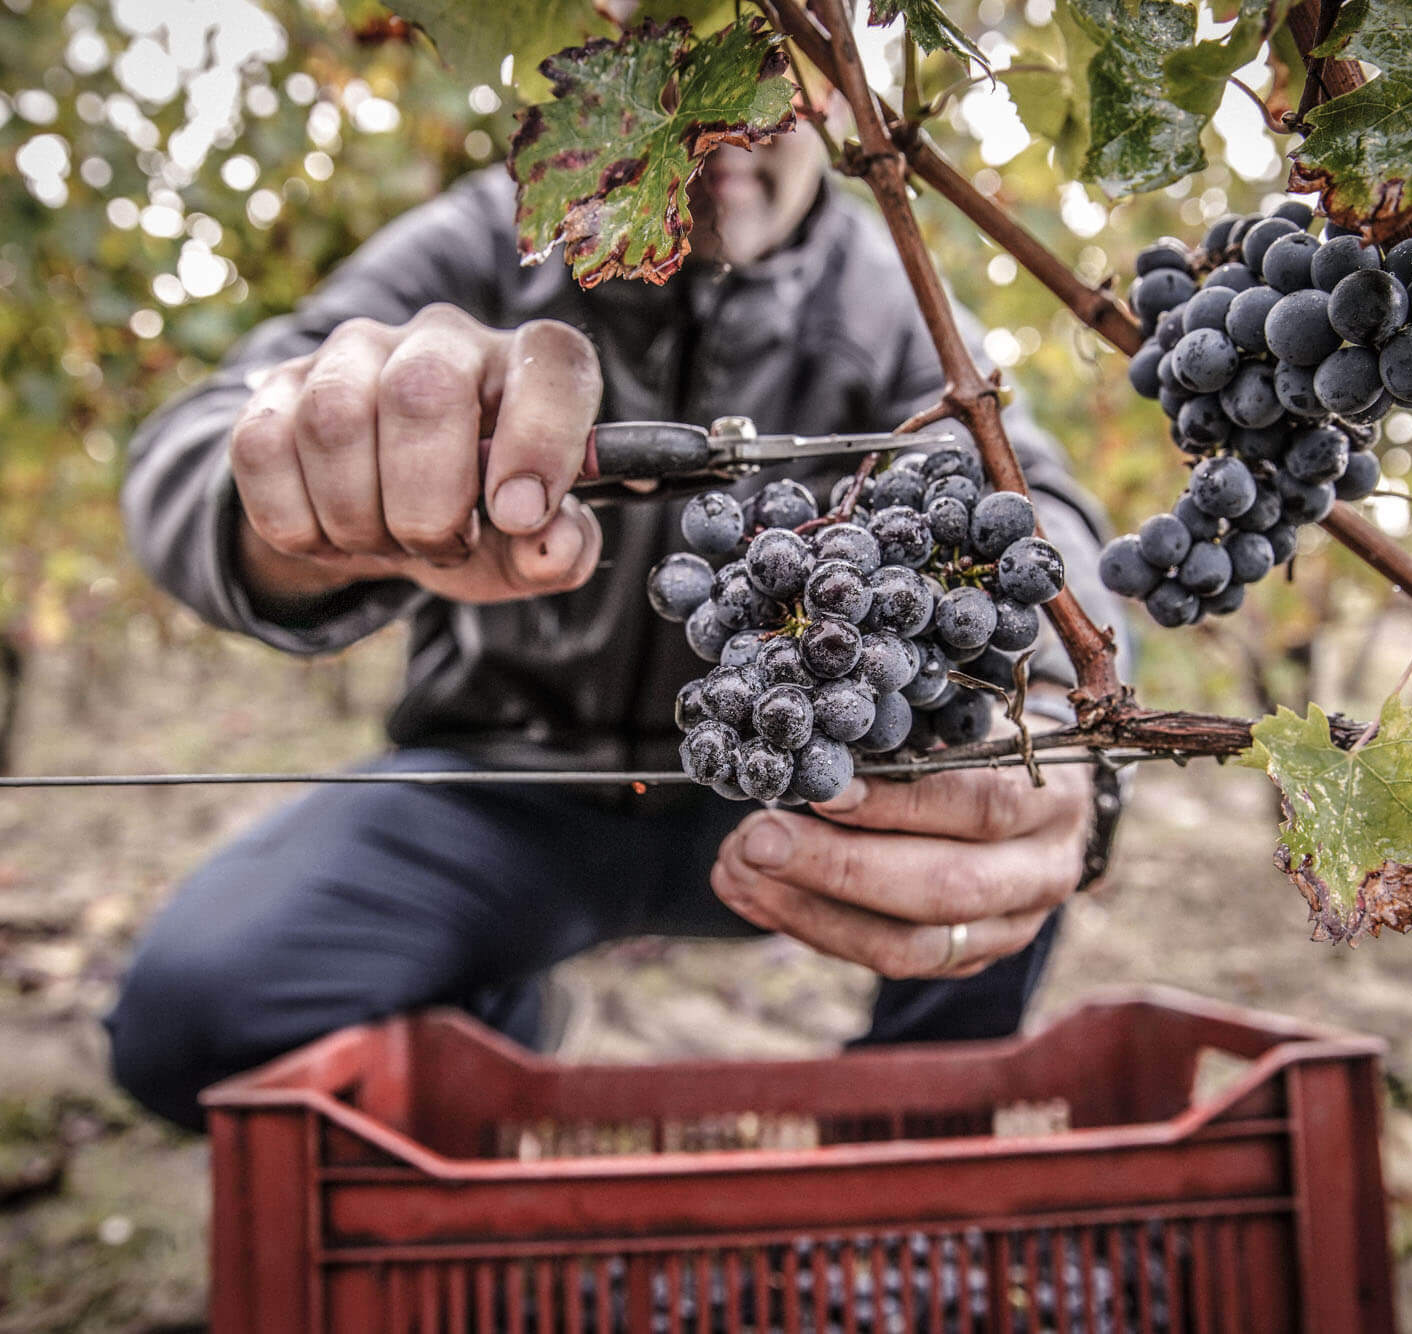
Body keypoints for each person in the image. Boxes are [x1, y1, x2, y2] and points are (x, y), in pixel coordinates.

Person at [107, 108, 1126, 1131]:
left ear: (824, 84)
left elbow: (1033, 501)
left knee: (994, 805)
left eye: (759, 76)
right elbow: (198, 441)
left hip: (792, 790)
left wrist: (1052, 713)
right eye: (679, 57)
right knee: (191, 1022)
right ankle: (487, 1035)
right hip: (502, 790)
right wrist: (283, 508)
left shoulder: (888, 289)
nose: (725, 133)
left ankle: (906, 1175)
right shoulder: (485, 242)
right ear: (602, 54)